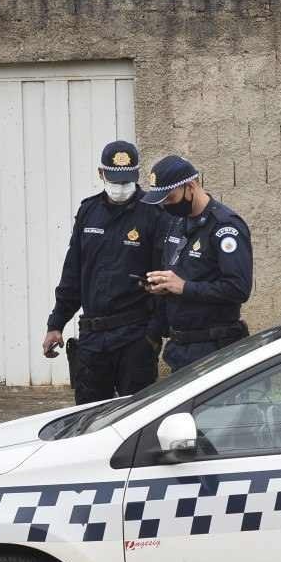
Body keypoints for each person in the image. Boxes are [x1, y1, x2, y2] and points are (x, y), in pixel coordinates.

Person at [42, 140, 168, 405]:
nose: (121, 187)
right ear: (101, 174)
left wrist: (153, 333)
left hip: (136, 336)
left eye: (127, 180)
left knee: (136, 414)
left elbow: (165, 278)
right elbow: (73, 272)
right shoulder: (89, 211)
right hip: (93, 337)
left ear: (136, 175)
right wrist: (56, 323)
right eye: (114, 180)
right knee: (89, 414)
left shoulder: (154, 213)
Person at [140, 155, 253, 371]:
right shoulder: (177, 222)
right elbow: (180, 275)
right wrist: (164, 287)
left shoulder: (224, 227)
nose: (165, 205)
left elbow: (238, 288)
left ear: (190, 187)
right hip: (180, 349)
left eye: (170, 198)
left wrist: (184, 287)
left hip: (214, 349)